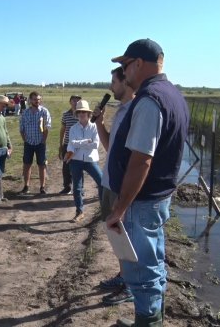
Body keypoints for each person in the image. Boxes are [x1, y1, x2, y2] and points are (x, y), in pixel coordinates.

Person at [107, 39, 189, 327]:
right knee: (153, 262)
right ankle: (152, 318)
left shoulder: (149, 100)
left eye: (125, 65)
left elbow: (142, 160)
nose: (123, 72)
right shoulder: (173, 95)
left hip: (141, 201)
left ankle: (148, 322)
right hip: (157, 197)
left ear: (139, 63)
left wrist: (120, 206)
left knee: (141, 272)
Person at [95, 67, 135, 306]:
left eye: (113, 82)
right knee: (116, 235)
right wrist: (99, 123)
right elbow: (110, 146)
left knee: (126, 234)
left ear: (125, 81)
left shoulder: (135, 111)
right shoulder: (120, 111)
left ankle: (131, 285)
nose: (111, 87)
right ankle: (123, 276)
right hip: (108, 182)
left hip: (121, 185)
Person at [66, 100, 102, 221]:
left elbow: (95, 145)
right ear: (77, 114)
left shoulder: (94, 127)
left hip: (91, 160)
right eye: (79, 112)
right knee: (77, 187)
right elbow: (71, 144)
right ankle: (79, 212)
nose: (81, 114)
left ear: (88, 113)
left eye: (84, 112)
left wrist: (78, 143)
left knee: (102, 182)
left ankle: (105, 210)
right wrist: (87, 142)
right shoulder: (73, 129)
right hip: (75, 160)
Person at [19, 91, 51, 194]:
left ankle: (42, 187)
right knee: (27, 165)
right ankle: (26, 186)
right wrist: (25, 140)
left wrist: (43, 141)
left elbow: (47, 127)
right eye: (34, 99)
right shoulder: (25, 113)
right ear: (30, 100)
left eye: (38, 99)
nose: (36, 101)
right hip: (28, 143)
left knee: (42, 165)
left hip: (40, 143)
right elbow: (21, 128)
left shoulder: (44, 112)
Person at [58, 95, 81, 194]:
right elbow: (63, 130)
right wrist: (61, 144)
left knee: (79, 167)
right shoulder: (66, 115)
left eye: (78, 101)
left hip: (79, 145)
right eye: (73, 100)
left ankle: (80, 188)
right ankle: (67, 187)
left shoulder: (82, 114)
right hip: (67, 144)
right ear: (70, 102)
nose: (75, 102)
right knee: (66, 167)